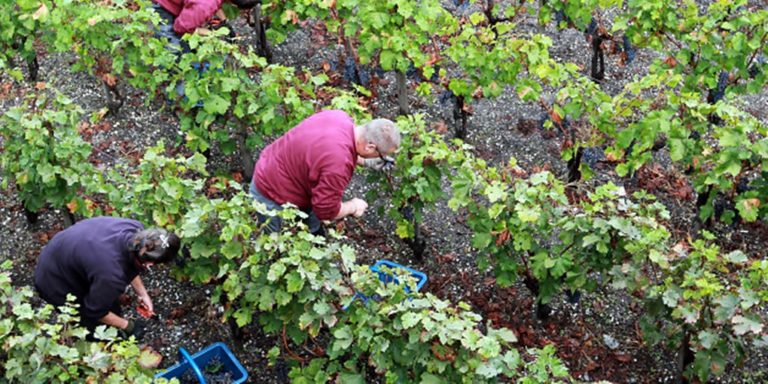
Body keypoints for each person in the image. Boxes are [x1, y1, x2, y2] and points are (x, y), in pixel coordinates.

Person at [250, 110, 400, 234]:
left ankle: (313, 232)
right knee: (276, 247)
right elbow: (326, 211)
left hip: (276, 164)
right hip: (270, 193)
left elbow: (324, 153)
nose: (380, 158)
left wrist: (365, 161)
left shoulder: (338, 117)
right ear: (369, 147)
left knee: (313, 226)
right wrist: (353, 206)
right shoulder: (338, 166)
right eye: (381, 155)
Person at [33, 217, 180, 340]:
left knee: (105, 297)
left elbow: (130, 262)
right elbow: (95, 311)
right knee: (89, 322)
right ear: (150, 263)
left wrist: (142, 293)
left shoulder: (134, 228)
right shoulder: (111, 276)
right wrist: (128, 326)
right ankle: (96, 346)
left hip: (64, 251)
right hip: (53, 280)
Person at [151, 0, 258, 54]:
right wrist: (213, 34)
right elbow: (180, 28)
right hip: (161, 7)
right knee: (175, 52)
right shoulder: (205, 5)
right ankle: (178, 90)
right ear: (234, 5)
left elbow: (215, 3)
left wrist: (225, 23)